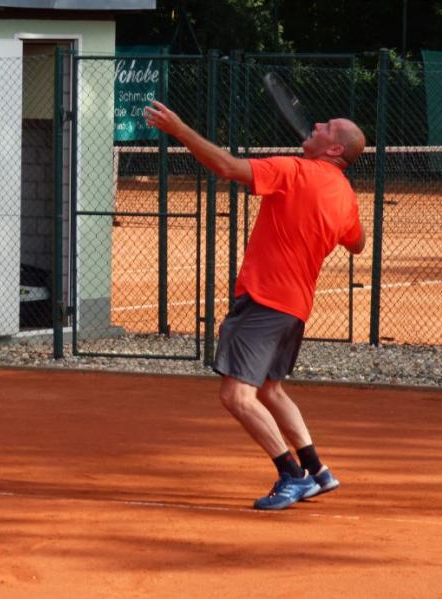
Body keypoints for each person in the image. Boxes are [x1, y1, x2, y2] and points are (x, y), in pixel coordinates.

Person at [144, 100, 366, 511]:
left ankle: (292, 474)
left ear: (335, 149)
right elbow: (357, 243)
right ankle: (318, 470)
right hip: (295, 308)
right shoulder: (346, 197)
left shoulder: (293, 170)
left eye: (327, 126)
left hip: (266, 301)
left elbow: (227, 167)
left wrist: (179, 130)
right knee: (270, 390)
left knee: (237, 396)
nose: (317, 123)